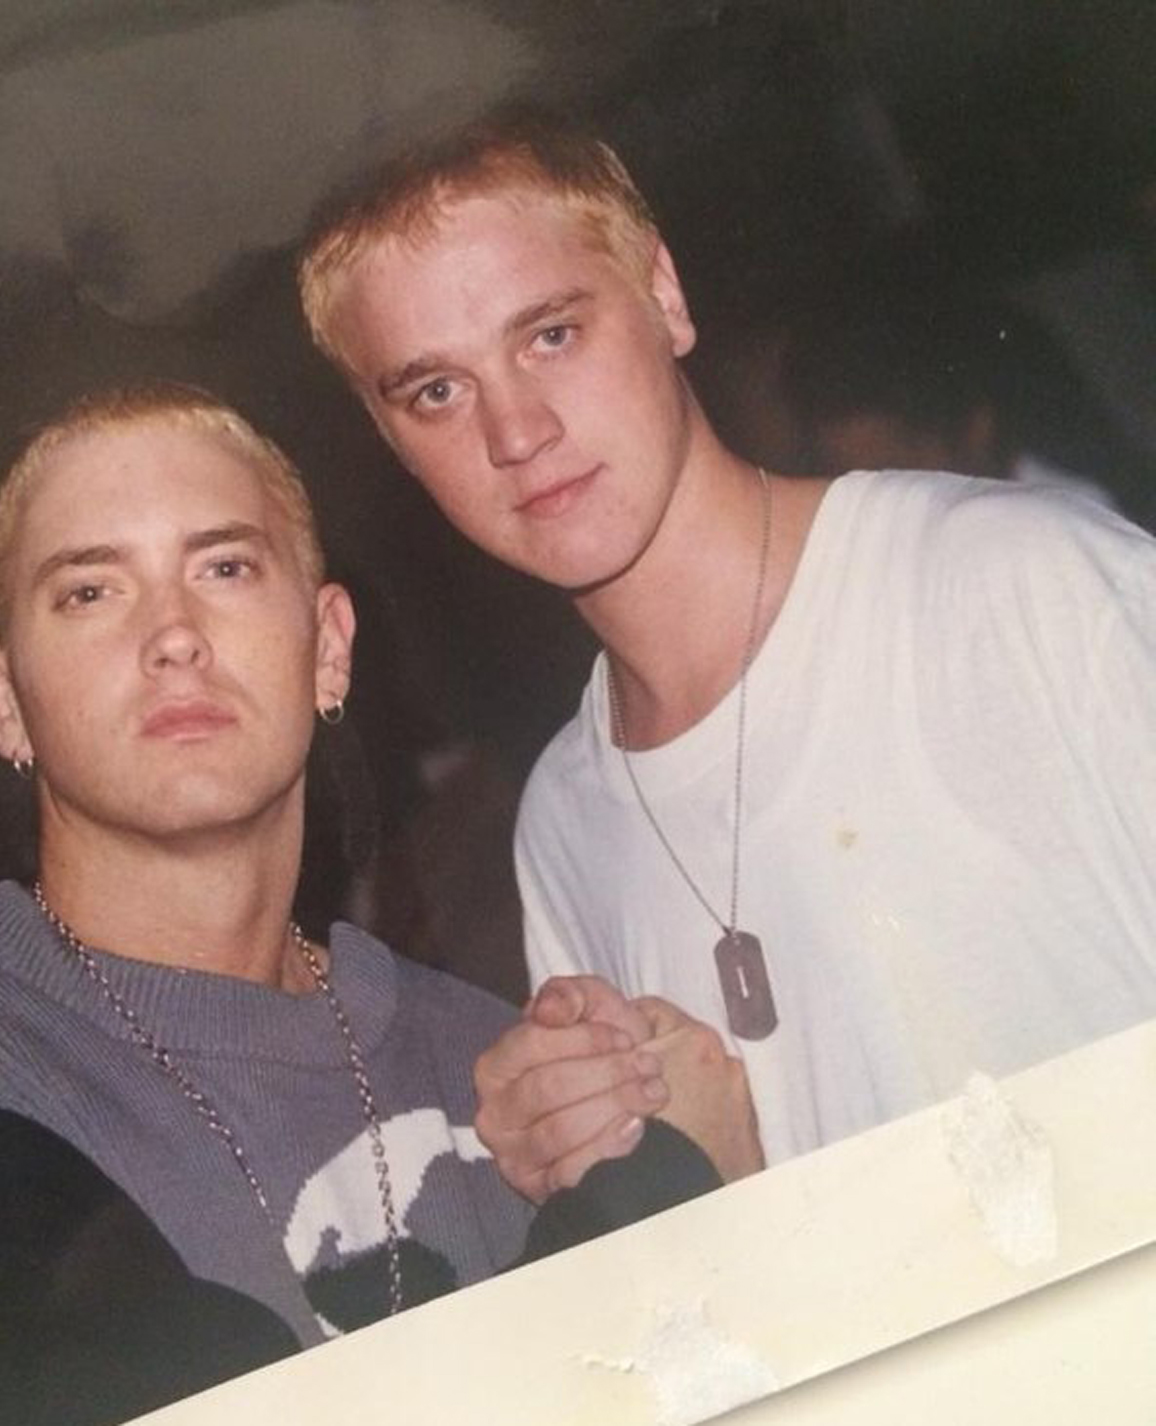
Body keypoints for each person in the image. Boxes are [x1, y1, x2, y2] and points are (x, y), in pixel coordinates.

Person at [0, 384, 747, 1426]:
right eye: (90, 591)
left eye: (225, 568)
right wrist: (668, 1199)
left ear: (328, 648)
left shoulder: (484, 1059)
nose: (174, 635)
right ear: (5, 703)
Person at [296, 111, 1156, 1196]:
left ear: (663, 295)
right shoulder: (564, 816)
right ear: (392, 440)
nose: (515, 433)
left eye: (551, 335)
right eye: (437, 391)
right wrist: (638, 1190)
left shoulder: (1015, 584)